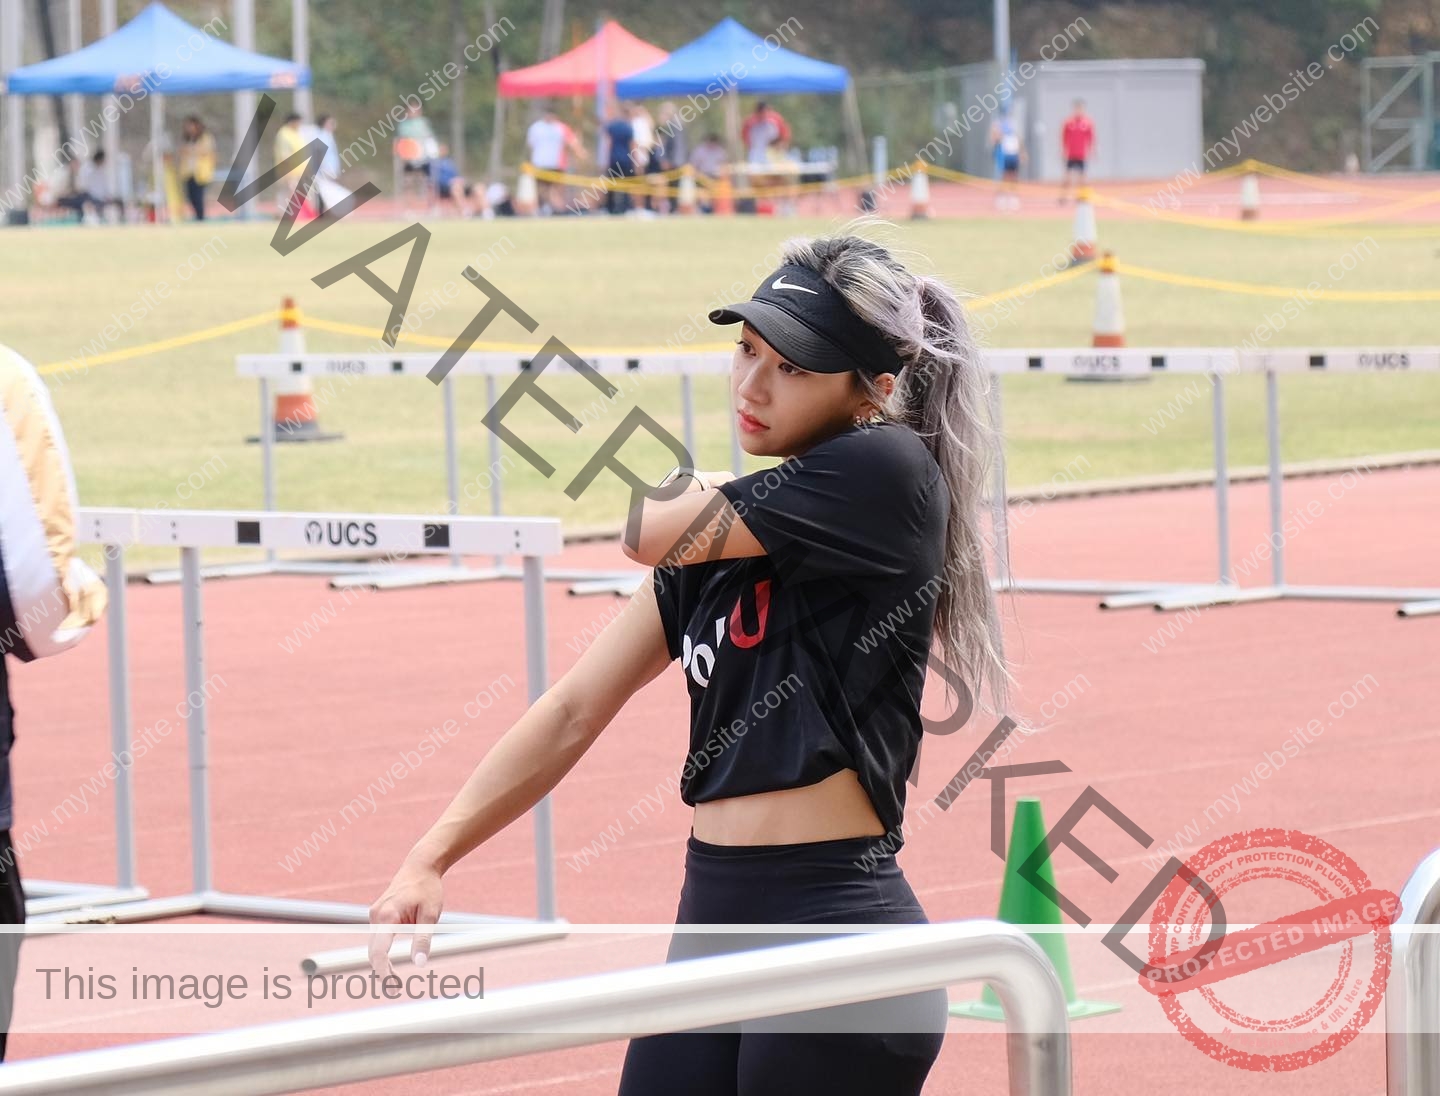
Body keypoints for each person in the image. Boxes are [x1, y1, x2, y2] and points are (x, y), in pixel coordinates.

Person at [367, 226, 1008, 1095]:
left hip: (837, 930)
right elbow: (574, 708)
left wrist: (689, 486)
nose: (751, 386)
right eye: (746, 351)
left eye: (792, 368)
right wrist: (432, 854)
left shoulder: (884, 468)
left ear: (875, 391)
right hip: (713, 920)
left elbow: (646, 525)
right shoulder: (729, 535)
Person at [525, 107, 584, 214]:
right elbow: (531, 145)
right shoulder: (536, 128)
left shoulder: (561, 127)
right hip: (540, 164)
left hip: (556, 164)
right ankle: (542, 208)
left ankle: (556, 209)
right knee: (541, 189)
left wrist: (580, 153)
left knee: (556, 189)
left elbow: (572, 142)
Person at [178, 115, 216, 221]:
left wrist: (191, 150)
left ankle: (200, 217)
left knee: (198, 196)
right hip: (188, 173)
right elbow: (182, 151)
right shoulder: (186, 139)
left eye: (191, 125)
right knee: (191, 197)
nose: (189, 128)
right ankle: (198, 216)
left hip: (200, 173)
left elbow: (205, 151)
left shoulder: (205, 138)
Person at [602, 103, 637, 215]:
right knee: (626, 185)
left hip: (614, 159)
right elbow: (632, 145)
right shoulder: (629, 127)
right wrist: (635, 161)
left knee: (611, 185)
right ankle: (624, 207)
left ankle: (610, 208)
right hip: (626, 160)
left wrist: (606, 160)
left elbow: (608, 144)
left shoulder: (612, 126)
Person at [272, 112, 308, 218]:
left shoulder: (295, 133)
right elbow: (285, 155)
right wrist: (288, 171)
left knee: (290, 193)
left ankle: (288, 215)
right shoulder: (284, 134)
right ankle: (283, 215)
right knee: (286, 193)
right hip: (288, 170)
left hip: (297, 171)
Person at [431, 145, 483, 217]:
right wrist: (451, 181)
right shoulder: (435, 164)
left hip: (457, 185)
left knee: (479, 187)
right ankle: (465, 212)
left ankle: (485, 212)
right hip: (444, 188)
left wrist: (460, 180)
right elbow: (436, 179)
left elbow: (456, 175)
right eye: (441, 150)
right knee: (456, 188)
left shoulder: (450, 163)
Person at [1059, 99, 1095, 204]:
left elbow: (1091, 138)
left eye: (1081, 108)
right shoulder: (1068, 122)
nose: (1079, 110)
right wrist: (1063, 150)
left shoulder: (1087, 123)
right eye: (1077, 108)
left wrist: (1092, 150)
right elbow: (1064, 137)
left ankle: (1082, 196)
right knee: (1067, 177)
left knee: (1082, 178)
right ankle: (1064, 196)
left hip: (1081, 155)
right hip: (1071, 154)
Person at [988, 110, 1024, 211]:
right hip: (1003, 155)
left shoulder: (1013, 123)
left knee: (1014, 177)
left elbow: (1018, 138)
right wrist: (998, 136)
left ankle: (1013, 198)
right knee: (1003, 177)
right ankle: (1001, 199)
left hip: (1013, 154)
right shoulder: (997, 124)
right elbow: (993, 139)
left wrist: (1021, 152)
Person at [689, 133, 728, 214]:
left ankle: (713, 209)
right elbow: (693, 167)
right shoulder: (700, 151)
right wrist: (701, 178)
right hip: (702, 177)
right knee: (702, 193)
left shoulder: (720, 151)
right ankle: (703, 209)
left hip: (716, 178)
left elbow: (724, 167)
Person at [742, 100, 791, 165]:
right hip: (756, 153)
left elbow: (785, 135)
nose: (764, 114)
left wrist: (781, 145)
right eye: (761, 112)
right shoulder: (750, 122)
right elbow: (745, 137)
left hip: (773, 153)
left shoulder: (776, 119)